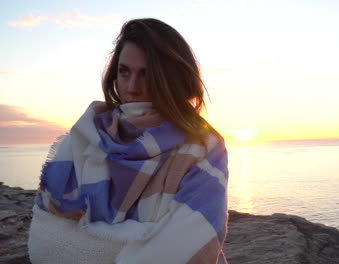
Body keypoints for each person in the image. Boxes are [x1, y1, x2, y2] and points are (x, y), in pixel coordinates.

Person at [28, 18, 229, 264]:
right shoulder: (85, 136)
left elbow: (188, 249)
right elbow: (46, 244)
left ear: (173, 79)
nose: (132, 87)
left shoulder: (204, 147)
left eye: (147, 75)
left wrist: (91, 244)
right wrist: (142, 239)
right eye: (124, 72)